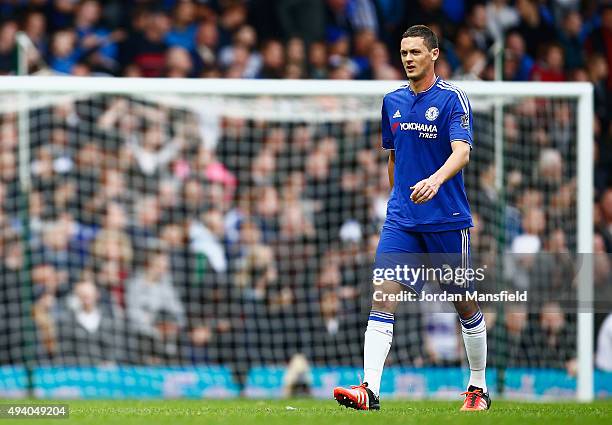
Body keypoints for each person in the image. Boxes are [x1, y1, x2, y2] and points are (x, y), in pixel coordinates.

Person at [333, 25, 490, 411]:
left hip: (446, 219)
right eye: (403, 52)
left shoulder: (453, 100)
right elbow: (393, 156)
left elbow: (462, 153)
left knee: (463, 302)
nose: (408, 58)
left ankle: (478, 387)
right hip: (402, 220)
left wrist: (435, 182)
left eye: (415, 52)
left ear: (433, 55)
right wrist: (396, 200)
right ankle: (368, 390)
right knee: (383, 295)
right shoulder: (392, 101)